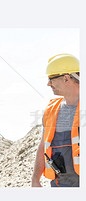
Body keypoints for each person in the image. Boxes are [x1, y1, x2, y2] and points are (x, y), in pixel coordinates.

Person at [32, 54, 80, 187]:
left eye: (51, 78)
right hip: (59, 185)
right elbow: (43, 146)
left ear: (66, 78)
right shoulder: (51, 110)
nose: (48, 84)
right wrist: (35, 179)